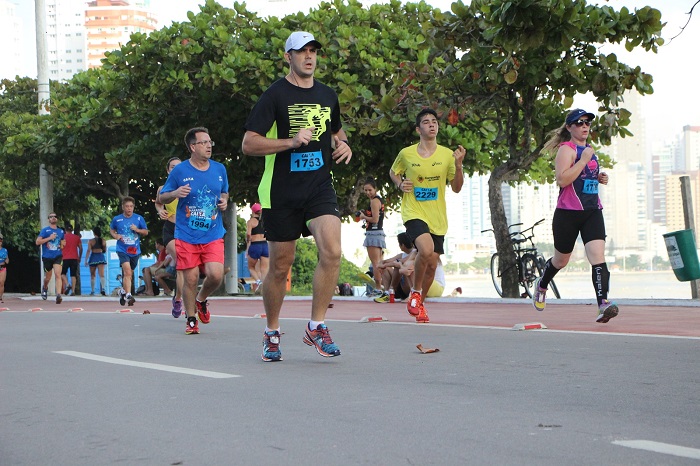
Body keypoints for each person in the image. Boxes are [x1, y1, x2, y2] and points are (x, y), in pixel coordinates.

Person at [242, 31, 352, 361]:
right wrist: (290, 142)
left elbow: (335, 130)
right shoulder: (274, 96)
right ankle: (272, 332)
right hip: (281, 191)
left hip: (318, 187)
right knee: (280, 265)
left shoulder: (327, 94)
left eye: (313, 51)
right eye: (301, 51)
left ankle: (316, 326)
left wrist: (343, 144)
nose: (309, 56)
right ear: (287, 57)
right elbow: (249, 144)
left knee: (332, 251)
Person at [533, 108, 619, 323]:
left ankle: (603, 304)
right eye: (579, 123)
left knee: (597, 258)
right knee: (561, 260)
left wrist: (599, 177)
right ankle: (542, 285)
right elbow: (562, 180)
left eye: (587, 123)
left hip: (591, 211)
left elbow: (585, 177)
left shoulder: (589, 150)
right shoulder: (567, 150)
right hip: (568, 214)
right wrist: (582, 162)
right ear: (570, 127)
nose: (584, 126)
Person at [389, 108, 465, 323]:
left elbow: (457, 188)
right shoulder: (406, 154)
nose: (432, 124)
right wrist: (399, 183)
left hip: (437, 216)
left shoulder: (447, 155)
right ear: (418, 129)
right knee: (426, 248)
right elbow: (394, 172)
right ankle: (415, 291)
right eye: (426, 122)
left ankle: (419, 302)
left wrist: (458, 166)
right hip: (413, 211)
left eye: (434, 121)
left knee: (431, 264)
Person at [158, 127, 229, 335]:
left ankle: (201, 299)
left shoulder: (219, 169)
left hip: (213, 233)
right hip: (187, 234)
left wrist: (224, 201)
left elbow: (224, 192)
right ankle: (190, 319)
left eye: (210, 142)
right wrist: (175, 193)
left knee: (216, 275)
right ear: (192, 147)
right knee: (190, 278)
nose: (209, 146)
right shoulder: (180, 171)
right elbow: (162, 198)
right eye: (204, 142)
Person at [155, 156, 185, 317]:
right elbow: (159, 203)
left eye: (178, 166)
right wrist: (160, 211)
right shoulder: (163, 188)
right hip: (170, 228)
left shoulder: (188, 186)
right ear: (168, 170)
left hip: (186, 229)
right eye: (172, 167)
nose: (175, 169)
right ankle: (181, 299)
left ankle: (178, 298)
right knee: (181, 261)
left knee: (186, 267)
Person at [110, 196, 149, 307]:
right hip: (122, 249)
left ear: (133, 207)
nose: (129, 208)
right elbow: (112, 230)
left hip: (135, 250)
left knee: (129, 274)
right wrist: (115, 235)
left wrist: (137, 230)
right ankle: (128, 295)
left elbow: (146, 232)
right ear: (123, 207)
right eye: (127, 206)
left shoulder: (138, 219)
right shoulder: (117, 219)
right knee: (127, 272)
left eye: (131, 206)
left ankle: (122, 292)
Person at [357, 177, 386, 297]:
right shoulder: (377, 200)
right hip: (378, 233)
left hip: (373, 234)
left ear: (375, 189)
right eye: (365, 190)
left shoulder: (374, 201)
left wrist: (363, 217)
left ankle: (378, 288)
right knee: (378, 262)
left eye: (370, 190)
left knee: (375, 263)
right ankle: (382, 286)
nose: (368, 192)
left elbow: (375, 219)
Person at [373, 232, 414, 303]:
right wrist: (381, 263)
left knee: (398, 266)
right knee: (386, 268)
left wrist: (385, 264)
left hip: (409, 286)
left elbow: (401, 261)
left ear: (402, 245)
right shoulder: (402, 255)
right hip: (401, 287)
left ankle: (393, 290)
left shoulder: (415, 253)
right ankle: (387, 293)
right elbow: (387, 261)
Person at [36, 212, 65, 304]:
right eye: (51, 217)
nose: (53, 218)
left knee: (58, 274)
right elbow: (38, 242)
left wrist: (62, 245)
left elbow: (63, 242)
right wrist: (49, 238)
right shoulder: (45, 230)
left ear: (57, 219)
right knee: (48, 277)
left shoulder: (60, 231)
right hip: (47, 256)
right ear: (48, 219)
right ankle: (45, 288)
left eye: (55, 217)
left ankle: (59, 295)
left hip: (57, 255)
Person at [246, 202, 269, 293]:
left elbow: (248, 233)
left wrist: (248, 240)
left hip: (255, 245)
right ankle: (265, 285)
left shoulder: (251, 221)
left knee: (251, 267)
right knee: (265, 268)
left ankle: (258, 282)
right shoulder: (265, 220)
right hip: (265, 245)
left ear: (253, 211)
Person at [61, 222, 82, 296]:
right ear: (72, 230)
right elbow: (81, 248)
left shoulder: (62, 237)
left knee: (62, 273)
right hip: (74, 258)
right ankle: (73, 291)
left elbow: (60, 247)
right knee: (73, 275)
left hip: (65, 258)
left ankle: (67, 284)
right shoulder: (77, 237)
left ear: (65, 230)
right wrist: (79, 257)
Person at [85, 226, 107, 295]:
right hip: (100, 256)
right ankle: (103, 288)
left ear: (94, 233)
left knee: (92, 275)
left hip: (93, 257)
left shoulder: (91, 241)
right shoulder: (103, 240)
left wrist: (86, 260)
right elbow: (105, 250)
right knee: (102, 274)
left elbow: (88, 250)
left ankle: (92, 290)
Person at [0, 232, 8, 303]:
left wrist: (6, 259)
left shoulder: (4, 250)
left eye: (1, 240)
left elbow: (7, 260)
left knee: (2, 282)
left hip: (2, 267)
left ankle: (1, 297)